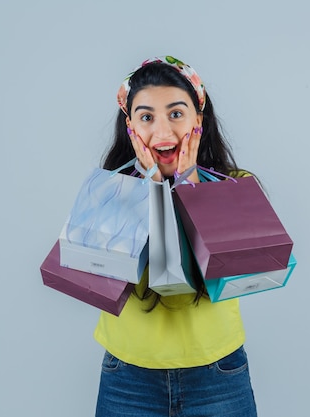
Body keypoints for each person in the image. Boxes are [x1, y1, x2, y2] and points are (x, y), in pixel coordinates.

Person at [94, 56, 258, 417]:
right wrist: (150, 188)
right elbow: (109, 276)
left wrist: (190, 186)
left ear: (198, 119)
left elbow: (228, 272)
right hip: (127, 375)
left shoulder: (237, 186)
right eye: (147, 117)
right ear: (131, 127)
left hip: (218, 373)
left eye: (176, 113)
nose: (163, 132)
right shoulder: (109, 192)